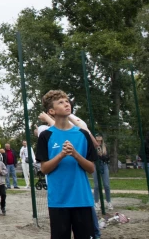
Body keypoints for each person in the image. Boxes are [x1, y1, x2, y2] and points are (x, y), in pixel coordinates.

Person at [35, 90, 97, 239]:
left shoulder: (83, 134)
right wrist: (61, 155)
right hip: (59, 200)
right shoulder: (46, 136)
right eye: (60, 102)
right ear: (51, 111)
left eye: (67, 101)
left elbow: (91, 168)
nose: (66, 104)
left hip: (82, 199)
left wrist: (75, 154)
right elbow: (44, 169)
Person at [93, 134, 112, 211]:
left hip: (104, 165)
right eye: (97, 138)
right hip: (95, 165)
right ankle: (96, 202)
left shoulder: (105, 147)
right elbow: (91, 156)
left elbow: (107, 157)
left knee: (106, 185)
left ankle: (108, 202)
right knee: (97, 185)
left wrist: (102, 156)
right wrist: (97, 155)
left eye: (100, 138)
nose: (98, 140)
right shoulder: (92, 146)